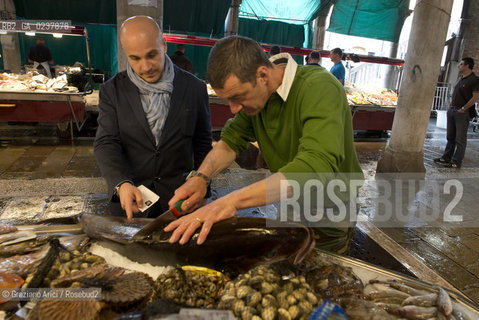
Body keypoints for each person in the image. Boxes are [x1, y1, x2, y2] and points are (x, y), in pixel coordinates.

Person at [164, 36, 363, 255]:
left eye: (238, 97)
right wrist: (201, 178)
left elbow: (315, 166)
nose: (233, 109)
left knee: (323, 275)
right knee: (287, 265)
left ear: (262, 75)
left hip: (329, 207)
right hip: (290, 198)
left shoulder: (319, 88)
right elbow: (229, 143)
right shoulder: (259, 99)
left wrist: (231, 201)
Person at [94, 16, 212, 219]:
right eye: (135, 58)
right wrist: (121, 183)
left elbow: (202, 144)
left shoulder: (194, 89)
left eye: (152, 55)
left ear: (164, 46)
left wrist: (203, 187)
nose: (145, 67)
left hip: (180, 201)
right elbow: (106, 142)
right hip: (133, 200)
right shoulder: (112, 91)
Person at [434, 57, 479, 168]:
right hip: (453, 110)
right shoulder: (460, 78)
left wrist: (463, 108)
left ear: (467, 66)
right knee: (450, 136)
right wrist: (450, 106)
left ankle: (456, 162)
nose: (459, 66)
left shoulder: (475, 80)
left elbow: (475, 97)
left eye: (461, 64)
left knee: (460, 138)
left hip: (462, 112)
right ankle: (446, 158)